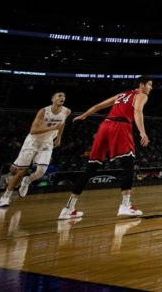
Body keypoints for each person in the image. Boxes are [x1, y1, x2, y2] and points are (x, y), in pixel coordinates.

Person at [57, 76, 152, 219]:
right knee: (128, 164)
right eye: (150, 85)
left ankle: (68, 208)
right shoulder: (141, 95)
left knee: (91, 167)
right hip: (120, 126)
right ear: (141, 85)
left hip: (104, 126)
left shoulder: (121, 95)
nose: (151, 88)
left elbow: (99, 106)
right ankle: (125, 205)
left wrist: (84, 115)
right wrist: (142, 132)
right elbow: (138, 111)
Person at [0, 91, 70, 208]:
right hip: (32, 142)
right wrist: (52, 127)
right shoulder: (43, 111)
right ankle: (5, 196)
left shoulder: (66, 111)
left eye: (64, 96)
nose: (62, 98)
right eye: (59, 96)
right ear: (52, 99)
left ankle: (27, 181)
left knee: (41, 171)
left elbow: (62, 124)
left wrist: (59, 138)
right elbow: (33, 130)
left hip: (47, 142)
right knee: (21, 171)